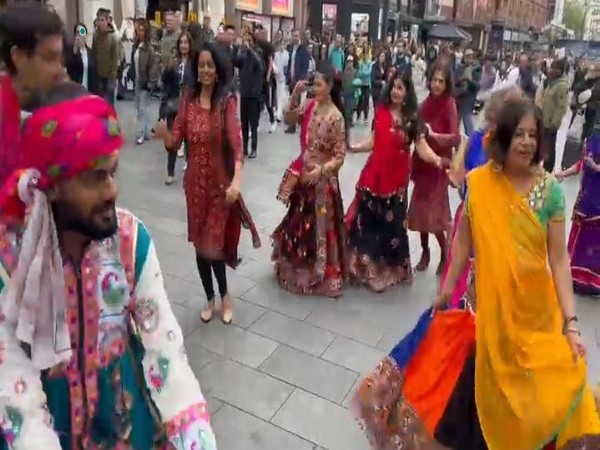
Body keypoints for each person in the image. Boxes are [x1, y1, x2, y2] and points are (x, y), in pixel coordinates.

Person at [352, 97, 600, 449]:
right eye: (519, 134)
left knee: (550, 390)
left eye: (533, 135)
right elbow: (463, 248)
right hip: (484, 309)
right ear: (502, 138)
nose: (527, 142)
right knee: (475, 394)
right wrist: (445, 291)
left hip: (535, 317)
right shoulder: (480, 185)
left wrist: (571, 323)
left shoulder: (551, 193)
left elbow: (559, 261)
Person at [0, 82, 217, 449]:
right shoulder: (10, 263)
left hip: (127, 428)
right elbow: (13, 388)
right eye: (94, 177)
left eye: (113, 172)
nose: (112, 190)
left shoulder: (131, 242)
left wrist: (197, 437)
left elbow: (164, 349)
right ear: (51, 185)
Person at [154, 42, 260, 324]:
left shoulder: (226, 102)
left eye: (210, 65)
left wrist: (237, 180)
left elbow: (237, 145)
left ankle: (225, 296)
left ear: (218, 68)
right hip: (194, 187)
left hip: (220, 189)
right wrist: (164, 135)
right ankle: (210, 298)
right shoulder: (187, 99)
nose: (205, 70)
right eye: (201, 65)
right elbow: (175, 142)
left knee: (212, 245)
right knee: (200, 246)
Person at [345, 68, 443, 292]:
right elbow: (373, 141)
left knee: (392, 227)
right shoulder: (380, 111)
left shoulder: (411, 119)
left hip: (395, 181)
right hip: (373, 175)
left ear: (407, 92)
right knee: (365, 223)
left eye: (401, 88)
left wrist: (437, 160)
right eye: (394, 86)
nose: (396, 91)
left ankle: (389, 270)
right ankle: (363, 268)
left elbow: (422, 147)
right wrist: (355, 148)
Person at [442, 85, 523, 308]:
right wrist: (459, 172)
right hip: (470, 215)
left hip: (498, 224)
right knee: (458, 278)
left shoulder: (517, 147)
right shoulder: (476, 138)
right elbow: (456, 177)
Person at [272, 62, 347, 298]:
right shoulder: (311, 105)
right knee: (298, 223)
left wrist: (323, 170)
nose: (315, 88)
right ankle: (297, 265)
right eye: (313, 84)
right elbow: (288, 119)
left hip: (323, 183)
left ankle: (321, 272)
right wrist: (295, 94)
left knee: (321, 229)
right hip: (304, 176)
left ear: (330, 86)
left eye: (319, 84)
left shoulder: (336, 117)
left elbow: (340, 156)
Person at [0, 2, 65, 187]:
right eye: (49, 58)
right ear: (18, 57)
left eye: (60, 58)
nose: (58, 69)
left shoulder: (62, 108)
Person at [408, 61, 460, 274]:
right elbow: (417, 128)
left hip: (440, 165)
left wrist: (435, 135)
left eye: (441, 81)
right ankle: (425, 251)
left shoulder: (449, 104)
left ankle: (444, 250)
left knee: (434, 215)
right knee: (420, 213)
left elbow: (456, 138)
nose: (437, 84)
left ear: (447, 83)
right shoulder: (424, 104)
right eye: (434, 80)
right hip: (423, 164)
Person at [557, 135, 600, 296]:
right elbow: (581, 165)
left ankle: (592, 282)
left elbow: (589, 165)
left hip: (597, 205)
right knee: (579, 239)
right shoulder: (592, 140)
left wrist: (596, 167)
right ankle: (574, 277)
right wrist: (563, 174)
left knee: (594, 243)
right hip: (585, 199)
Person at [160, 31, 193, 185]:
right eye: (181, 43)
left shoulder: (194, 63)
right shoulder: (174, 62)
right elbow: (164, 83)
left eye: (186, 43)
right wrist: (167, 68)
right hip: (173, 106)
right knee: (172, 140)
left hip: (190, 106)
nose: (183, 45)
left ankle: (189, 167)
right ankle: (170, 172)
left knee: (189, 140)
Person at [130, 19, 159, 145]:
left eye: (142, 30)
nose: (139, 32)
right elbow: (133, 62)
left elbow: (153, 67)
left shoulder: (149, 49)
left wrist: (151, 83)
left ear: (146, 32)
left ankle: (140, 134)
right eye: (138, 30)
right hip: (137, 80)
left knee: (142, 109)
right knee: (141, 107)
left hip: (145, 82)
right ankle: (146, 131)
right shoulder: (136, 45)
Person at [90, 9, 119, 106]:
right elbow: (93, 55)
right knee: (99, 105)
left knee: (108, 105)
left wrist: (113, 80)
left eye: (102, 20)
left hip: (109, 78)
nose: (100, 23)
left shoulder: (113, 38)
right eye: (98, 20)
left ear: (107, 21)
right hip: (98, 77)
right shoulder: (95, 36)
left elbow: (115, 61)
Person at [65, 22, 97, 93]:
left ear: (86, 35)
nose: (80, 35)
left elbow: (95, 75)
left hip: (89, 90)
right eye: (77, 33)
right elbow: (69, 69)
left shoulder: (91, 52)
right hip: (76, 91)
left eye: (82, 32)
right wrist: (75, 50)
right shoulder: (72, 52)